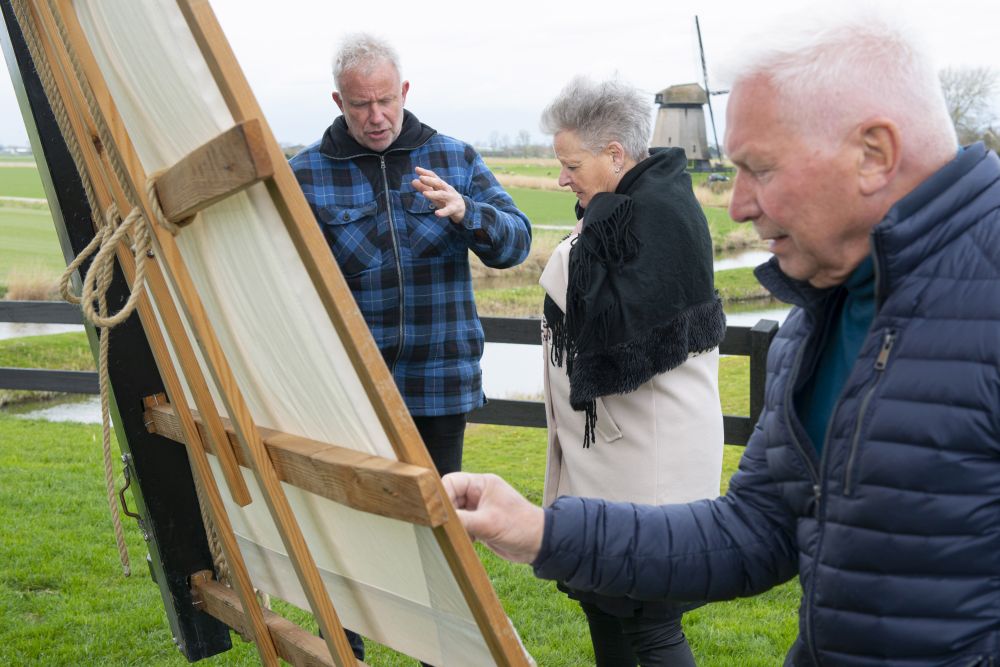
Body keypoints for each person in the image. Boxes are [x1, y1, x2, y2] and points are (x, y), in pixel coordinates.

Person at [443, 10, 1000, 665]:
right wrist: (538, 528)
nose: (736, 204)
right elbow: (754, 529)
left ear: (873, 153)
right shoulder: (815, 318)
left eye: (759, 168)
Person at [290, 33, 531, 662]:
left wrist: (466, 212)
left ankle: (438, 654)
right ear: (338, 100)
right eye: (360, 105)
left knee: (438, 535)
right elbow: (283, 278)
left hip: (438, 384)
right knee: (348, 531)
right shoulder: (304, 172)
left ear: (405, 92)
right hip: (350, 392)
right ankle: (346, 654)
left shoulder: (454, 157)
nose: (375, 118)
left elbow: (516, 243)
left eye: (385, 102)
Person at [538, 76, 725, 666]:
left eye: (571, 165)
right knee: (605, 604)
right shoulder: (631, 210)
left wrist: (574, 248)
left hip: (648, 463)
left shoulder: (648, 219)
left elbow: (620, 329)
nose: (561, 179)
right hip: (613, 460)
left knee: (649, 619)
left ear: (615, 154)